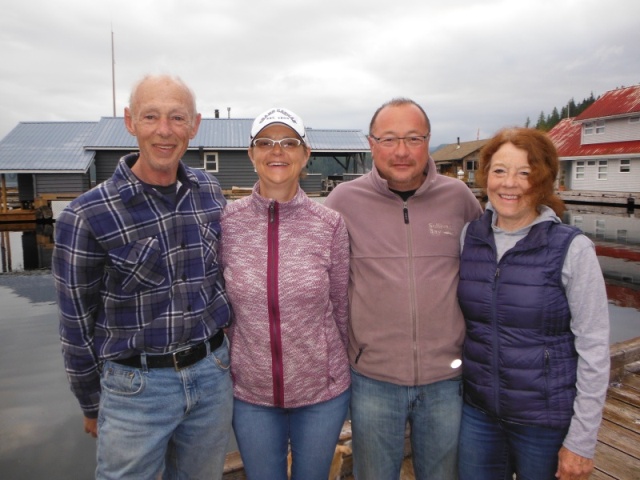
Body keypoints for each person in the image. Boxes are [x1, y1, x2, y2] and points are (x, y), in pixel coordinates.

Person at [52, 74, 233, 479]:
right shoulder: (86, 216)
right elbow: (75, 328)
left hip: (212, 376)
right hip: (135, 389)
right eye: (151, 117)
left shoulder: (209, 191)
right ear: (130, 121)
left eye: (177, 117)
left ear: (195, 125)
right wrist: (90, 403)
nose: (164, 131)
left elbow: (222, 279)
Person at [324, 98, 483, 479]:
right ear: (371, 143)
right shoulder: (343, 202)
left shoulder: (458, 198)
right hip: (373, 378)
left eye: (413, 138)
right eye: (389, 139)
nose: (401, 151)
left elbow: (488, 265)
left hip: (447, 378)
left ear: (428, 141)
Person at [456, 128, 610, 480]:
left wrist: (582, 441)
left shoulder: (571, 248)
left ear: (543, 180)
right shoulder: (471, 237)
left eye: (525, 172)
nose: (510, 183)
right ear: (485, 177)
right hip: (479, 413)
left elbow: (594, 348)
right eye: (499, 171)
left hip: (544, 421)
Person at [219, 108, 351, 480]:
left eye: (289, 142)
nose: (277, 151)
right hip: (251, 395)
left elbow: (341, 306)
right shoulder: (226, 223)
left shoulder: (329, 224)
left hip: (322, 394)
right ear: (251, 153)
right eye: (265, 142)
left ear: (305, 154)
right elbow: (222, 309)